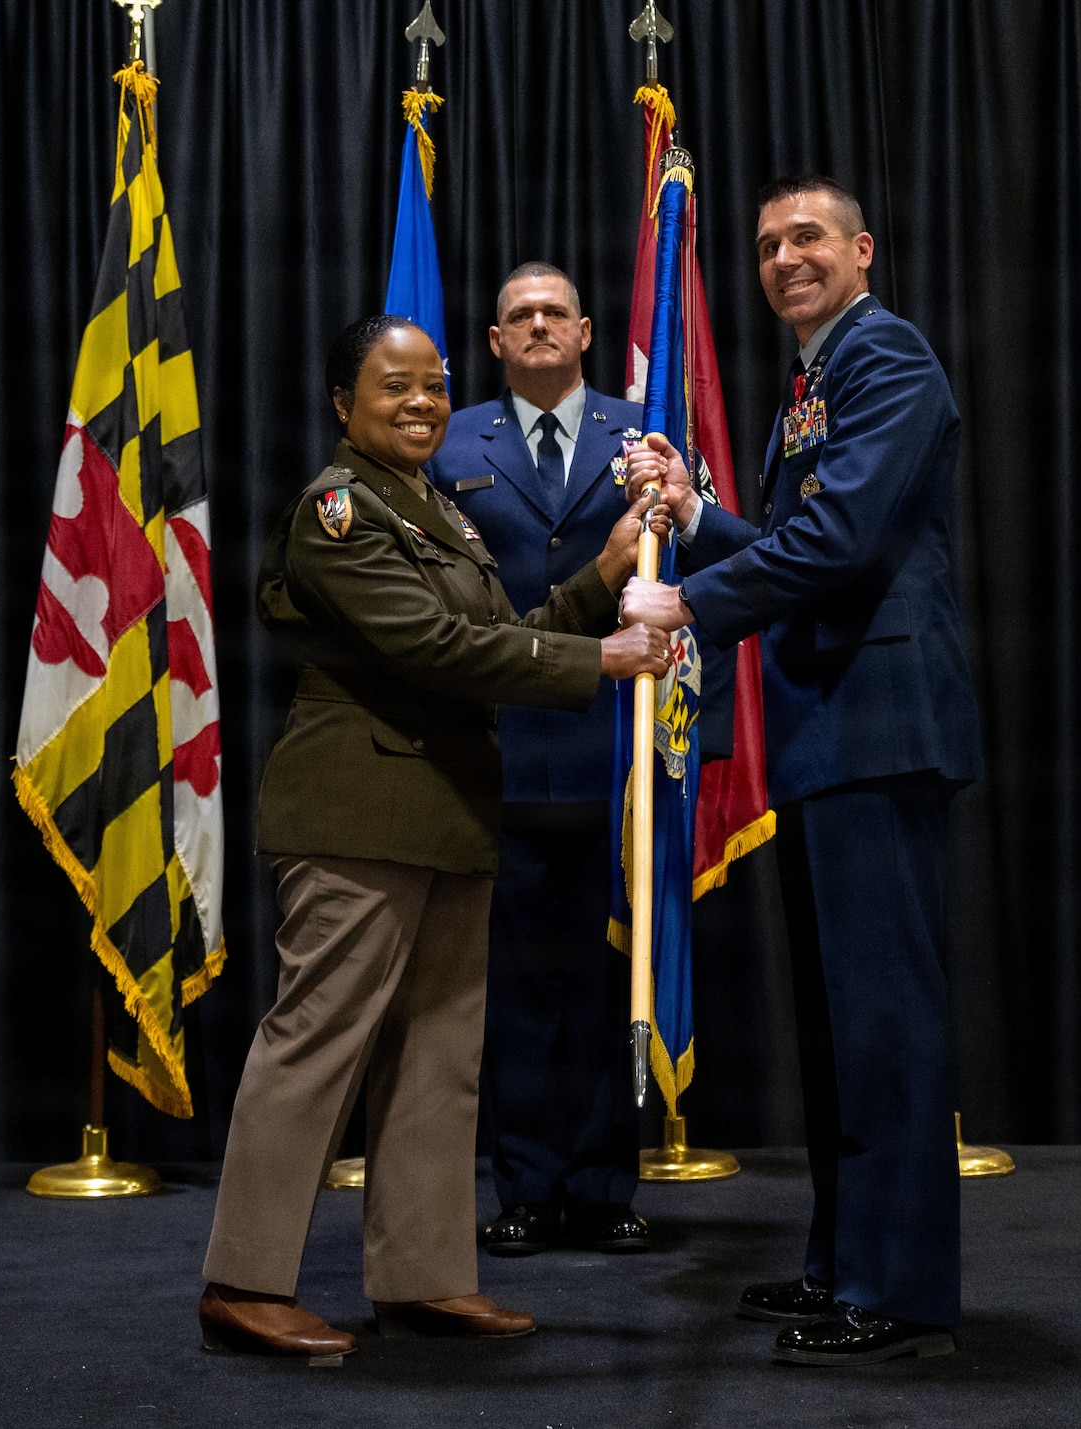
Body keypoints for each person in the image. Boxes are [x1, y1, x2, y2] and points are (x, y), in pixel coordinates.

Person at [197, 315, 671, 1361]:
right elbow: (430, 646)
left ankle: (419, 1279)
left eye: (432, 387)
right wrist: (602, 663)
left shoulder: (438, 513)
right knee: (314, 1045)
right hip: (356, 812)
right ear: (342, 406)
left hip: (449, 814)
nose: (419, 404)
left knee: (438, 1055)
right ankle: (241, 1280)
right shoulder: (337, 511)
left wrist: (599, 576)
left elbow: (500, 630)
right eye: (392, 388)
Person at [621, 175, 982, 1367]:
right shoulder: (817, 382)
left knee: (886, 1025)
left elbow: (842, 541)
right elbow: (790, 545)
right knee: (839, 1030)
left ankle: (902, 1284)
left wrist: (685, 602)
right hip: (830, 728)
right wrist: (697, 508)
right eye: (770, 243)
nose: (784, 258)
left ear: (862, 250)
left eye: (808, 237)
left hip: (881, 726)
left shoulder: (889, 363)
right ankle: (844, 1263)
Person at [426, 262, 655, 1258]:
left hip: (616, 754)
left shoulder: (642, 435)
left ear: (586, 330)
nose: (536, 326)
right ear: (491, 340)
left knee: (613, 981)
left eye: (552, 312)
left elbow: (690, 582)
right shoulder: (446, 441)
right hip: (499, 754)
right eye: (516, 314)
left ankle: (605, 1191)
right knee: (513, 991)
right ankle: (522, 1188)